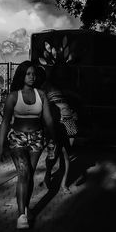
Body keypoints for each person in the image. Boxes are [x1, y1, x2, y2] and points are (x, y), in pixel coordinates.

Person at [0, 60, 55, 229]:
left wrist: (53, 140)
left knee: (29, 176)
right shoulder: (14, 96)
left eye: (33, 74)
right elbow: (5, 122)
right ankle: (21, 216)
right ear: (22, 75)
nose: (31, 77)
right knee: (24, 173)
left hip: (37, 139)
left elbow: (49, 120)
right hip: (17, 139)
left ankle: (25, 207)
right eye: (28, 74)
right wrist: (0, 146)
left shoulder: (41, 95)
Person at [40, 65, 78, 194]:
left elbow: (76, 102)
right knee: (52, 154)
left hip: (69, 122)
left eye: (63, 72)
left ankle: (63, 184)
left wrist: (74, 113)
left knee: (66, 155)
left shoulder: (69, 86)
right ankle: (47, 175)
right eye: (59, 72)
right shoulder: (46, 86)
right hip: (54, 123)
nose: (61, 75)